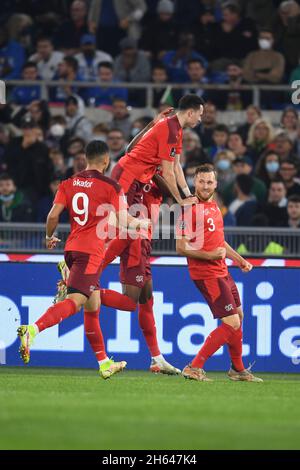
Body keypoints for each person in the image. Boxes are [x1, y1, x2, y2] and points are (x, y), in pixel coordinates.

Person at [17, 140, 151, 379]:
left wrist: (49, 236)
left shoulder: (68, 183)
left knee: (92, 306)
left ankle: (103, 363)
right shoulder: (111, 186)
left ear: (86, 158)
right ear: (106, 160)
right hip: (90, 253)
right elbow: (123, 221)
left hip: (71, 249)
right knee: (77, 301)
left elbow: (52, 216)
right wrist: (141, 222)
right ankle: (33, 330)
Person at [176, 164, 262, 382]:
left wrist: (239, 259)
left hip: (222, 271)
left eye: (210, 182)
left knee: (238, 317)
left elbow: (219, 241)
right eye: (202, 181)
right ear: (195, 181)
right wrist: (211, 256)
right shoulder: (188, 209)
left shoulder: (214, 206)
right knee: (232, 322)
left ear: (216, 184)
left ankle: (238, 370)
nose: (205, 186)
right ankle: (193, 367)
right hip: (206, 274)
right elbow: (181, 247)